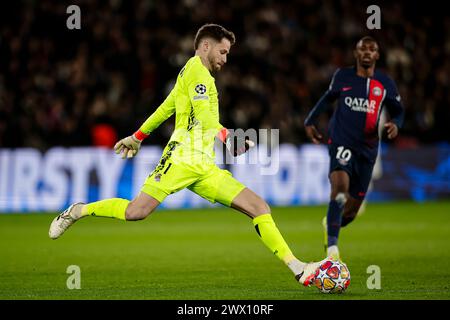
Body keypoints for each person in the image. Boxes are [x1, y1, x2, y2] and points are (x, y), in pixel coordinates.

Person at [49, 23, 325, 286]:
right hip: (181, 158)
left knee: (259, 207)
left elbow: (166, 107)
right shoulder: (197, 71)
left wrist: (137, 136)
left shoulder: (189, 73)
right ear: (206, 46)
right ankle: (78, 211)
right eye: (223, 51)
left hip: (204, 165)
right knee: (136, 212)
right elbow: (205, 118)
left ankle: (297, 268)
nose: (226, 59)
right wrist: (228, 137)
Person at [304, 36, 405, 261]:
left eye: (372, 49)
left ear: (377, 55)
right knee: (339, 189)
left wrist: (395, 125)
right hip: (342, 142)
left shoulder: (385, 83)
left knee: (350, 211)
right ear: (356, 54)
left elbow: (398, 111)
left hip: (368, 151)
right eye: (363, 49)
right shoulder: (343, 76)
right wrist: (310, 121)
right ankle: (332, 250)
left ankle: (329, 224)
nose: (367, 52)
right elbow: (327, 98)